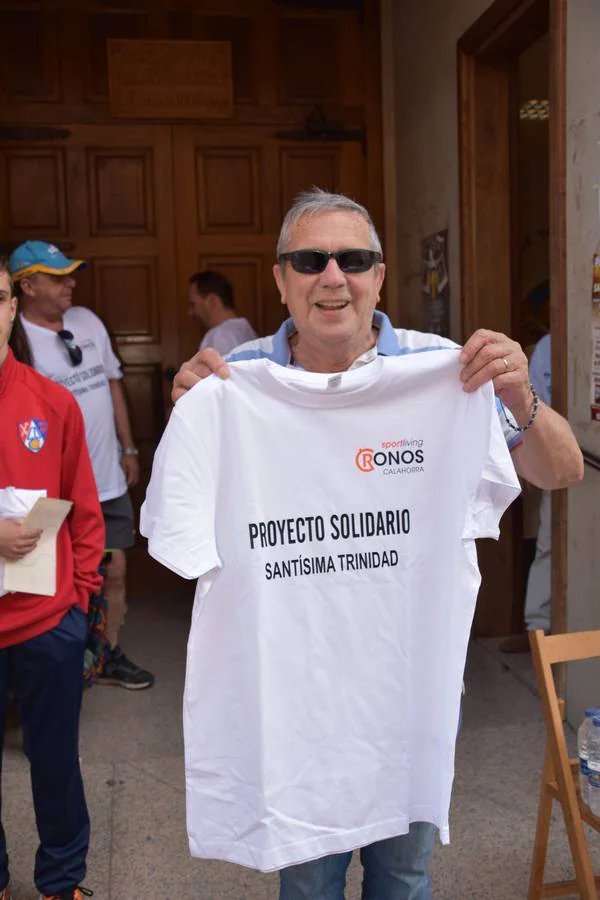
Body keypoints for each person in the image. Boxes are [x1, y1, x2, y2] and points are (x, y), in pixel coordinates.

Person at [168, 189, 582, 900]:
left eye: (353, 259)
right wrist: (193, 422)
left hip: (405, 697)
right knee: (308, 883)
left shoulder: (447, 374)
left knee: (404, 878)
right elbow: (182, 542)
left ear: (380, 276)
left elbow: (562, 470)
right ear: (280, 277)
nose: (333, 277)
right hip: (291, 702)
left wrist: (522, 397)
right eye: (309, 259)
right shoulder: (229, 386)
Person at [0, 259, 104, 900]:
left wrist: (81, 601)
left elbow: (84, 510)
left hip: (47, 624)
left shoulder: (52, 402)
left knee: (56, 764)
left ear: (11, 305)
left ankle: (61, 881)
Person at [7, 241, 154, 691]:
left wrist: (128, 449)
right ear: (26, 287)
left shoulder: (88, 322)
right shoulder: (16, 341)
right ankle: (62, 662)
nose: (70, 283)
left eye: (70, 274)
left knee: (114, 569)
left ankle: (106, 652)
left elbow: (111, 386)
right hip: (55, 491)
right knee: (52, 576)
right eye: (57, 277)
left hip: (106, 478)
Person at [501, 331, 552, 653]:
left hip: (576, 457)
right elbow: (530, 408)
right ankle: (538, 633)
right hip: (557, 454)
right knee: (549, 545)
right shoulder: (547, 346)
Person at [188, 270, 257, 355]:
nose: (190, 312)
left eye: (193, 304)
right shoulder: (246, 331)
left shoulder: (220, 336)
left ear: (212, 301)